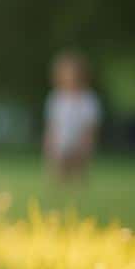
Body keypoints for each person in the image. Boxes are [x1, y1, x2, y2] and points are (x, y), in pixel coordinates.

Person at [44, 50, 101, 182]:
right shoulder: (56, 98)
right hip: (61, 142)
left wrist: (87, 144)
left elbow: (90, 126)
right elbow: (52, 125)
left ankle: (79, 196)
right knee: (59, 173)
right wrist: (50, 144)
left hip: (80, 142)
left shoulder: (88, 99)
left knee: (79, 173)